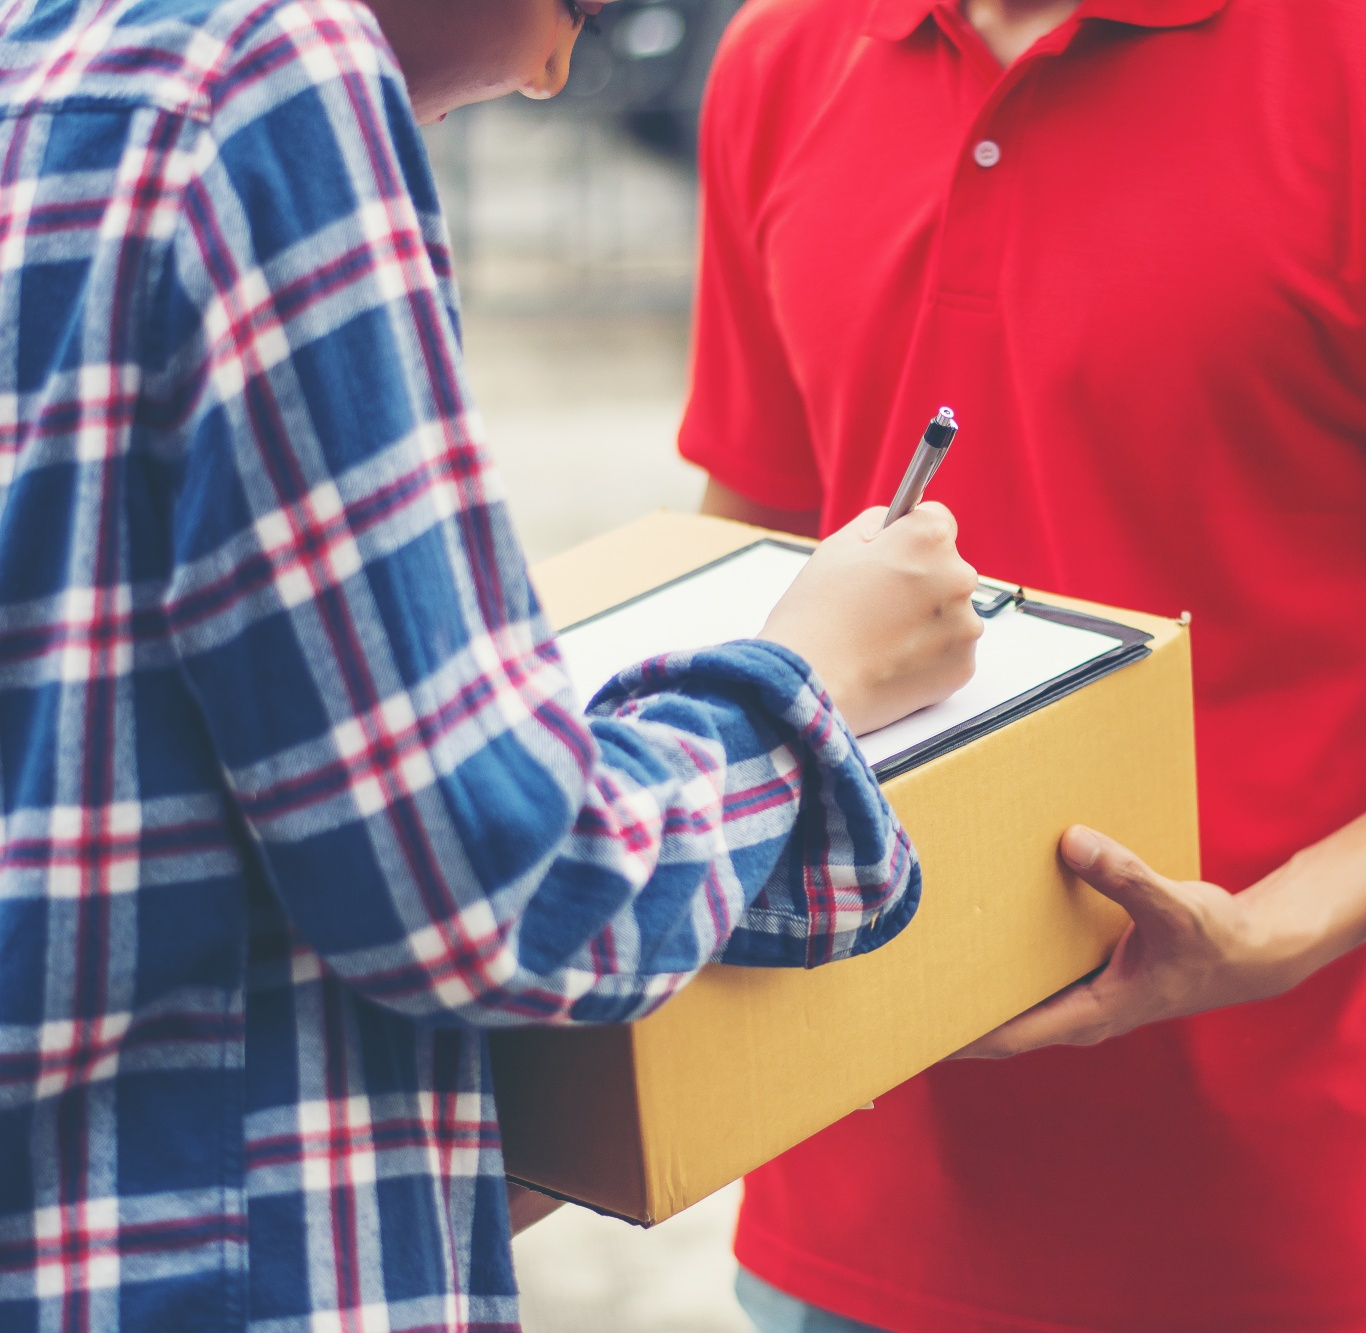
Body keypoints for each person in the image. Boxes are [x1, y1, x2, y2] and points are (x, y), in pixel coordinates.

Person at [683, 0, 1366, 1329]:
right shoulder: (782, 53)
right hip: (830, 1218)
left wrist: (1289, 921)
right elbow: (749, 571)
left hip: (1269, 1244)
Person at [0, 0, 984, 1330]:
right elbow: (501, 885)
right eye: (584, 5)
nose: (555, 69)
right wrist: (802, 678)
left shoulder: (50, 66)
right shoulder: (269, 78)